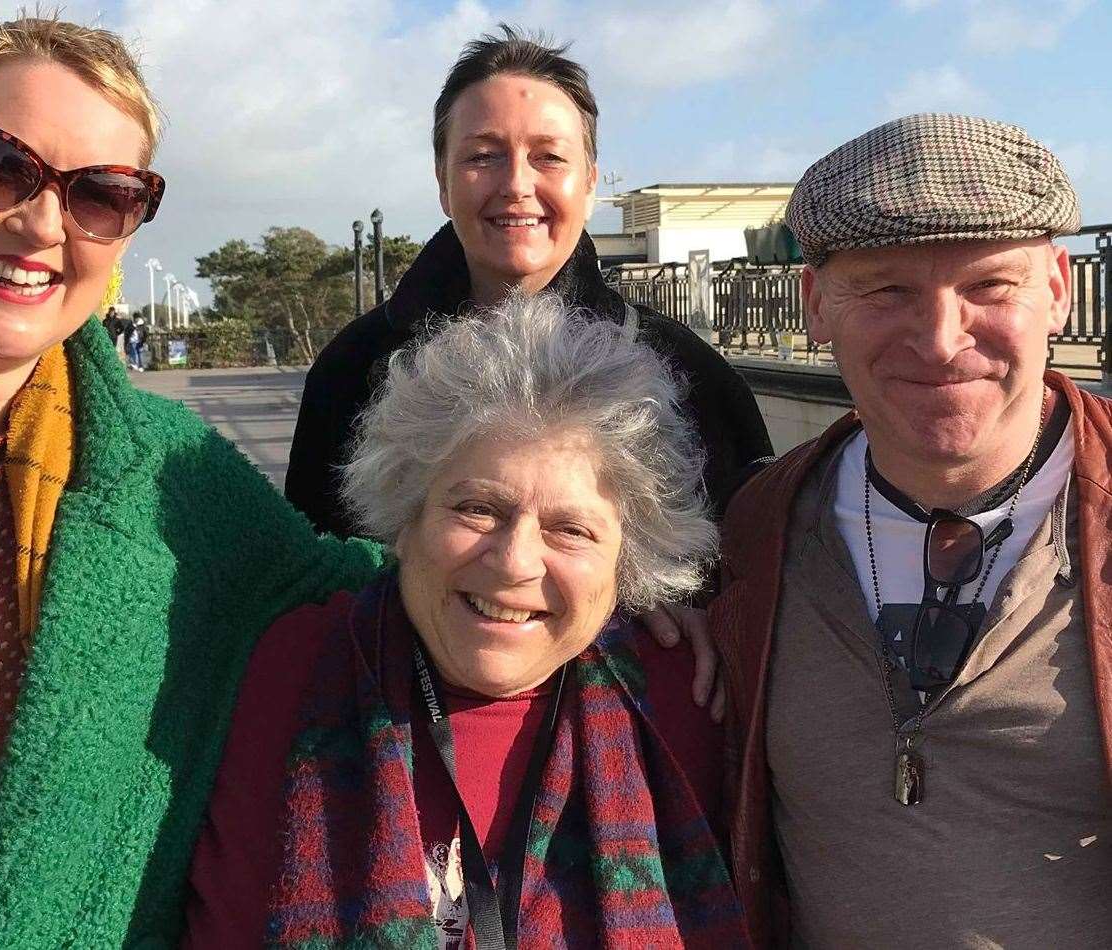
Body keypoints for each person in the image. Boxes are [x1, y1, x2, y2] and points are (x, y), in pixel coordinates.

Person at [0, 16, 381, 947]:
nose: (43, 222)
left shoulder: (175, 481)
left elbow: (381, 599)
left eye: (101, 193)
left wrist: (618, 609)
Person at [184, 292, 751, 949]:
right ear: (408, 512)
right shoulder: (287, 672)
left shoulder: (683, 699)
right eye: (478, 509)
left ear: (630, 558)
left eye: (570, 529)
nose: (514, 562)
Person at [708, 113, 1112, 947]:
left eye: (988, 287)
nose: (938, 340)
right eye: (886, 290)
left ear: (1057, 290)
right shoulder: (757, 532)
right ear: (816, 304)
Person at [286, 25, 772, 540]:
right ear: (442, 182)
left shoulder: (686, 375)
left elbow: (743, 572)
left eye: (549, 157)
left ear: (588, 183)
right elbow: (309, 571)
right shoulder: (353, 368)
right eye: (482, 156)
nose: (516, 184)